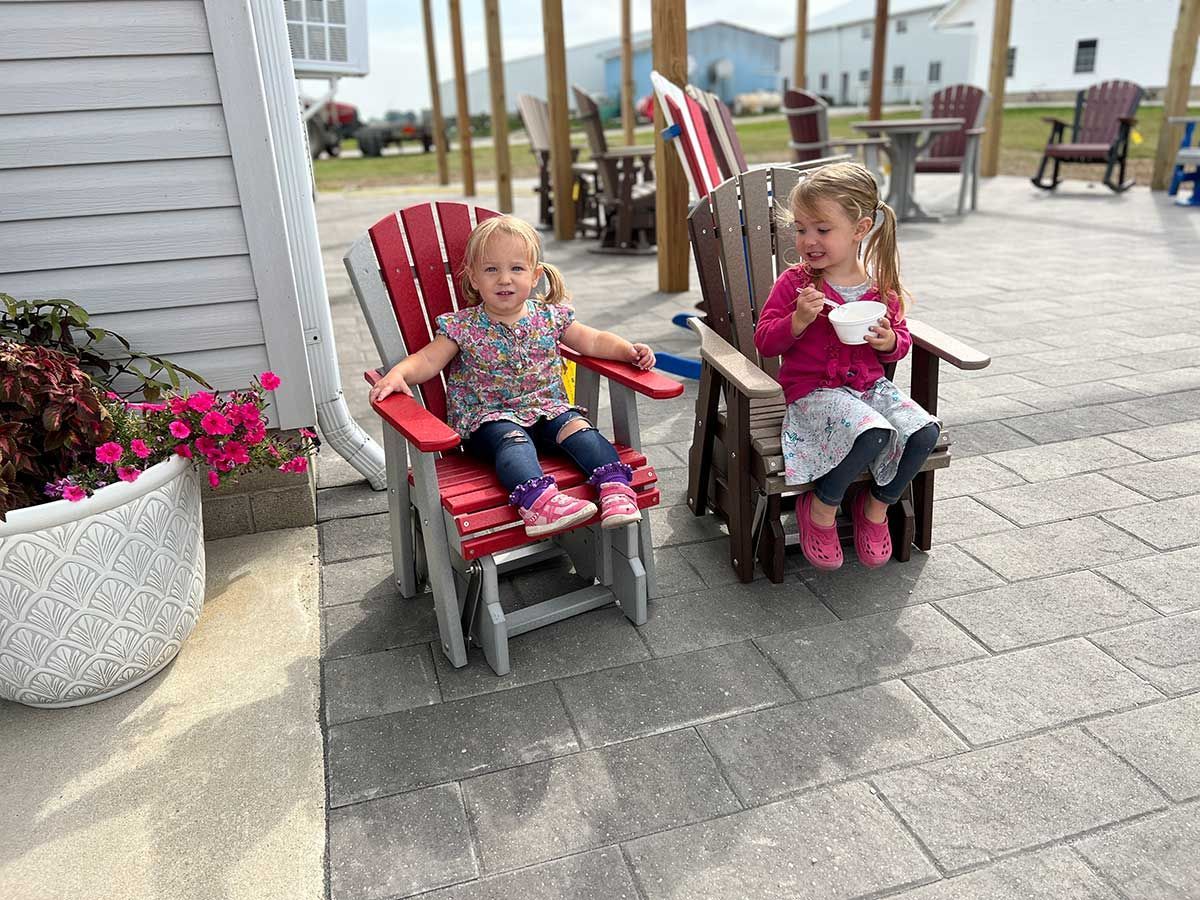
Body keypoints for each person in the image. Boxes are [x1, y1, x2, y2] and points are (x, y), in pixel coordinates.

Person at [369, 215, 656, 538]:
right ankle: (539, 505)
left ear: (534, 277)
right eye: (491, 270)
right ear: (474, 278)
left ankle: (615, 489)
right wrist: (399, 374)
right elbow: (427, 359)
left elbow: (592, 340)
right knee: (514, 442)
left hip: (548, 409)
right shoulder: (463, 327)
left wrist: (627, 351)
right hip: (490, 421)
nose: (504, 279)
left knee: (581, 428)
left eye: (516, 269)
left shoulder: (550, 316)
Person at [753, 162, 940, 571]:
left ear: (860, 228)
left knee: (924, 431)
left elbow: (901, 340)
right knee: (872, 432)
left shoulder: (880, 288)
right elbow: (765, 339)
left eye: (822, 229)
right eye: (802, 229)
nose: (808, 240)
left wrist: (890, 341)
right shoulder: (796, 285)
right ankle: (819, 507)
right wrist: (798, 320)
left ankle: (875, 509)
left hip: (869, 390)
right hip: (814, 394)